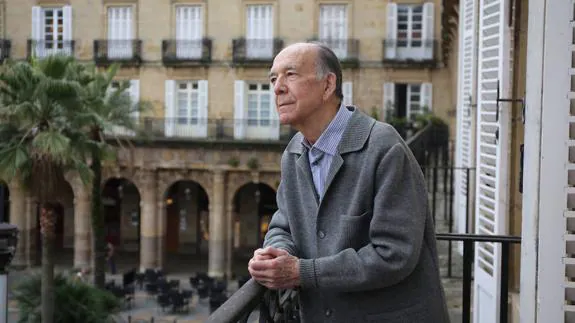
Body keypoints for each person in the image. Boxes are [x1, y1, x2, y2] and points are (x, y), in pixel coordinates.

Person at [247, 42, 449, 322]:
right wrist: (277, 252)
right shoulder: (294, 152)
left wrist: (300, 272)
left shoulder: (383, 146)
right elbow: (284, 223)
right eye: (273, 78)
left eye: (290, 75)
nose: (277, 87)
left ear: (328, 85)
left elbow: (394, 254)